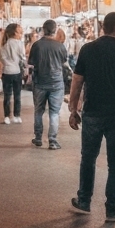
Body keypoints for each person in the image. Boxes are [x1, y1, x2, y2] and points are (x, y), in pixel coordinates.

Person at [68, 12, 115, 223]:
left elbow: (77, 82)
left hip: (93, 113)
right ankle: (112, 210)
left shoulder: (87, 50)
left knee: (88, 158)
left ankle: (84, 201)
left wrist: (74, 110)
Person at [27, 20, 70, 149]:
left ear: (43, 29)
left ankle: (38, 138)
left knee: (38, 111)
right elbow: (64, 62)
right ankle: (52, 140)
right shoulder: (60, 46)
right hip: (56, 83)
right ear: (55, 30)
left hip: (40, 82)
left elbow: (32, 63)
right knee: (54, 113)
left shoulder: (36, 45)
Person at [0, 22, 27, 124]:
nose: (21, 33)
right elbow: (23, 57)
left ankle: (7, 116)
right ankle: (17, 115)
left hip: (6, 72)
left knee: (7, 95)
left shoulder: (4, 43)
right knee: (17, 95)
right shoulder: (19, 43)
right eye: (19, 31)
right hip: (16, 71)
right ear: (15, 32)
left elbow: (2, 58)